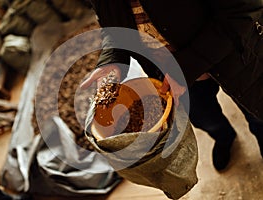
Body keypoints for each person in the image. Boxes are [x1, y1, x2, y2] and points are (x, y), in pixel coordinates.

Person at [80, 0, 263, 171]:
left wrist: (188, 64)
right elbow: (113, 27)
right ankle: (224, 137)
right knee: (203, 117)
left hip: (236, 55)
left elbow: (244, 9)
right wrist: (111, 58)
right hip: (169, 75)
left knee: (256, 112)